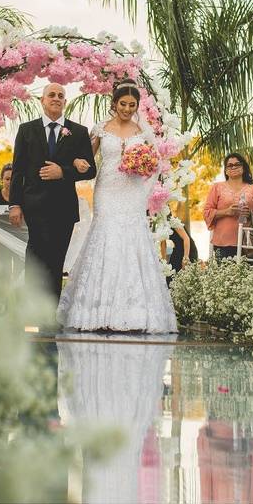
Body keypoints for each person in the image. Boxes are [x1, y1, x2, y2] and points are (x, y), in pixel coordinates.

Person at [55, 81, 177, 333]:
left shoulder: (142, 132)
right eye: (123, 104)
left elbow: (154, 164)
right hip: (107, 190)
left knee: (132, 240)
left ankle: (134, 312)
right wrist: (77, 160)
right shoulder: (101, 128)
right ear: (115, 103)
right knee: (106, 237)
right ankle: (96, 310)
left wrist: (141, 170)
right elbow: (88, 159)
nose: (127, 109)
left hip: (132, 191)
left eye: (132, 105)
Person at [9, 82, 97, 298]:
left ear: (65, 102)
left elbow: (90, 171)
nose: (56, 98)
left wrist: (64, 172)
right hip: (34, 207)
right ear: (43, 100)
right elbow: (18, 170)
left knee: (56, 262)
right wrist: (15, 204)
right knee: (35, 260)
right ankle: (32, 310)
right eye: (52, 95)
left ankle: (50, 316)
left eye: (60, 95)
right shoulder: (26, 130)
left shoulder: (78, 132)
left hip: (63, 209)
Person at [203, 152, 253, 261]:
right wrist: (227, 212)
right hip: (222, 243)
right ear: (226, 170)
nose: (234, 167)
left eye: (237, 164)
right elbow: (207, 212)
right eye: (230, 165)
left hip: (248, 244)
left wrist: (251, 215)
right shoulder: (217, 188)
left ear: (243, 167)